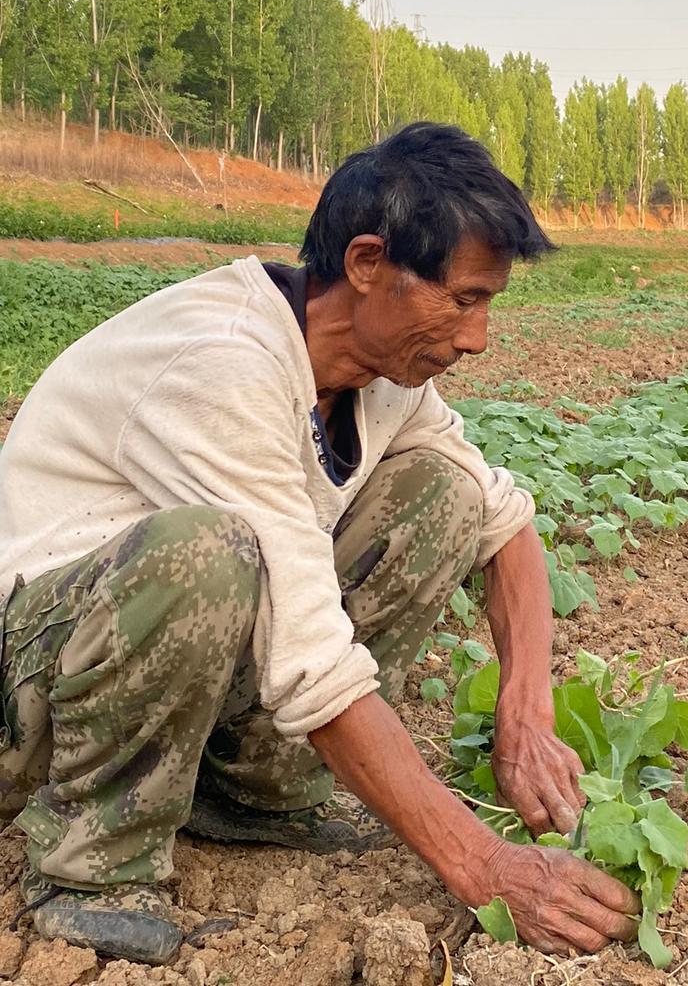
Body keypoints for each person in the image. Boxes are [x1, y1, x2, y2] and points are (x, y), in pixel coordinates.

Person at [0, 123, 639, 965]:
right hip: (32, 689)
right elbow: (311, 658)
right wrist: (488, 868)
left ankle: (256, 799)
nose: (477, 337)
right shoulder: (224, 364)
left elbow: (503, 524)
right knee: (210, 554)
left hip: (147, 666)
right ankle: (91, 867)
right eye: (463, 299)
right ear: (368, 263)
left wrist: (526, 710)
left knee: (440, 494)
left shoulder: (381, 376)